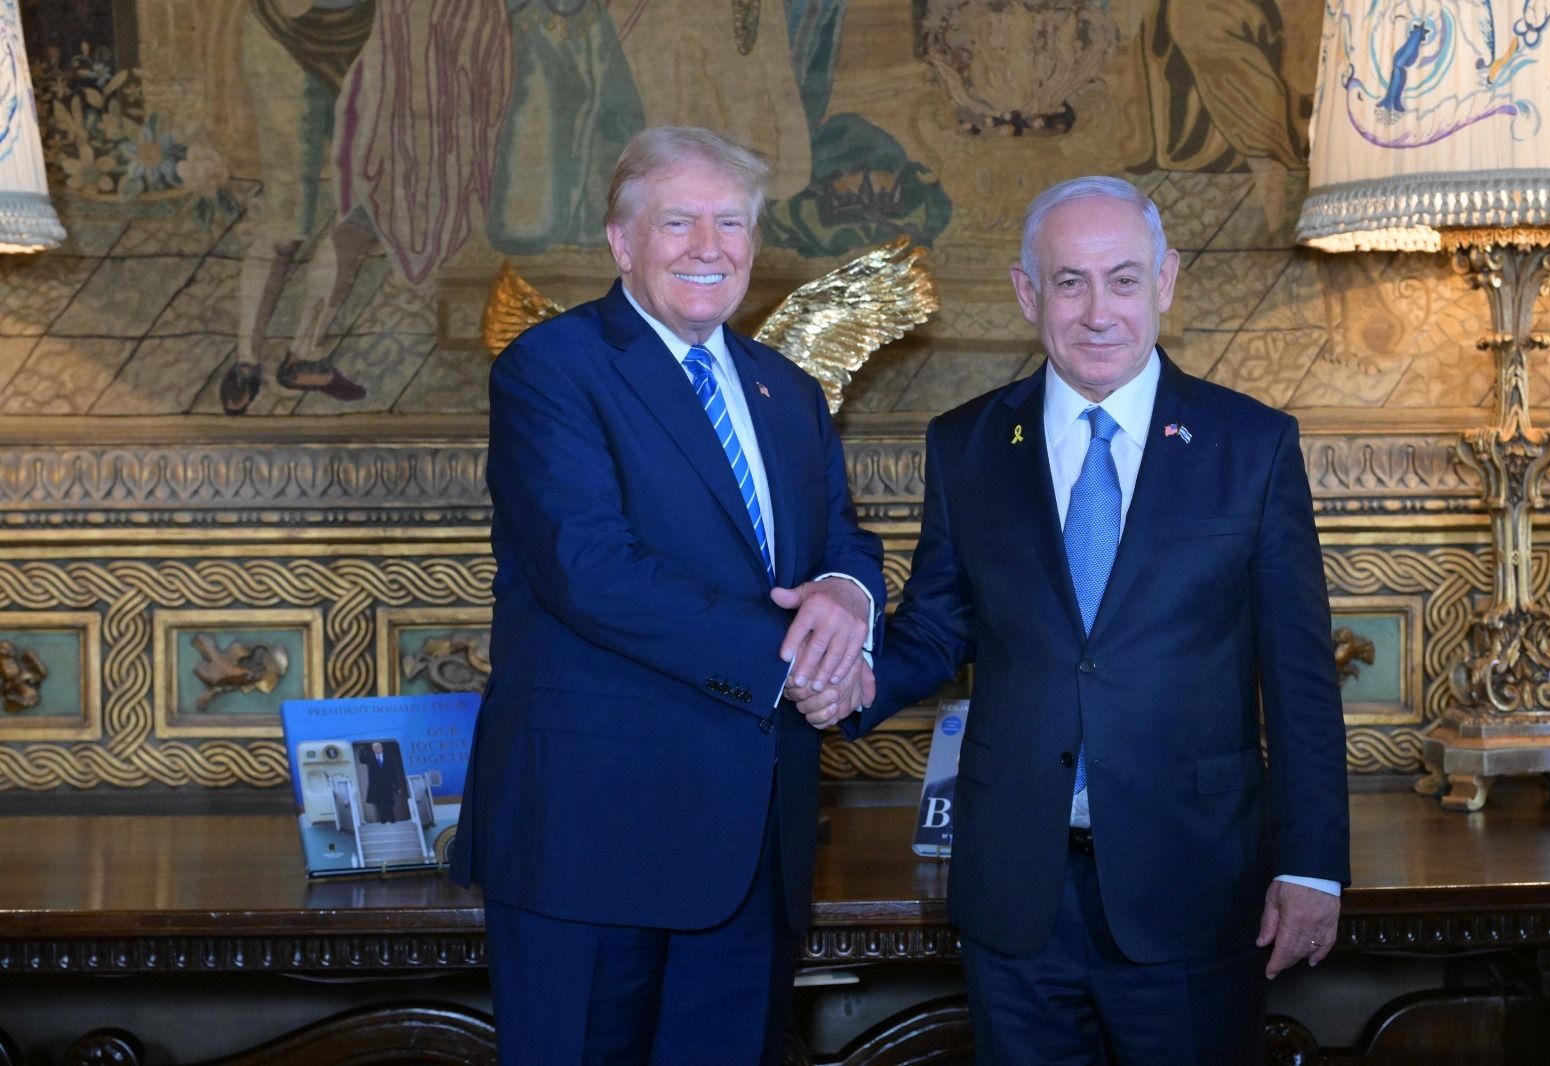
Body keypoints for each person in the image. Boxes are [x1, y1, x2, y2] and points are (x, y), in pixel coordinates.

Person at [793, 176, 1350, 1065]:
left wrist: (1313, 864)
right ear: (1027, 292)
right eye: (1070, 282)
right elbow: (939, 627)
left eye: (1124, 280)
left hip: (1195, 887)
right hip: (1018, 893)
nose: (1100, 312)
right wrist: (847, 682)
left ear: (1164, 283)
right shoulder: (968, 443)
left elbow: (1301, 680)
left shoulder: (1252, 444)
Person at [452, 126, 885, 1065]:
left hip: (754, 847)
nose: (709, 246)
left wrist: (848, 606)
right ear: (621, 241)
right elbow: (589, 570)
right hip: (594, 839)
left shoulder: (788, 392)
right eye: (678, 221)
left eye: (731, 222)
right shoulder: (552, 370)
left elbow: (842, 542)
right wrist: (801, 666)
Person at [357, 740, 406, 824]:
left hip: (388, 783)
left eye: (378, 747)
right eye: (375, 748)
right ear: (373, 749)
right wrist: (361, 752)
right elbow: (362, 761)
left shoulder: (388, 757)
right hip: (376, 784)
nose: (377, 749)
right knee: (379, 802)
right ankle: (383, 819)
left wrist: (397, 786)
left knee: (390, 801)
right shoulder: (370, 757)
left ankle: (392, 818)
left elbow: (393, 772)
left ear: (382, 748)